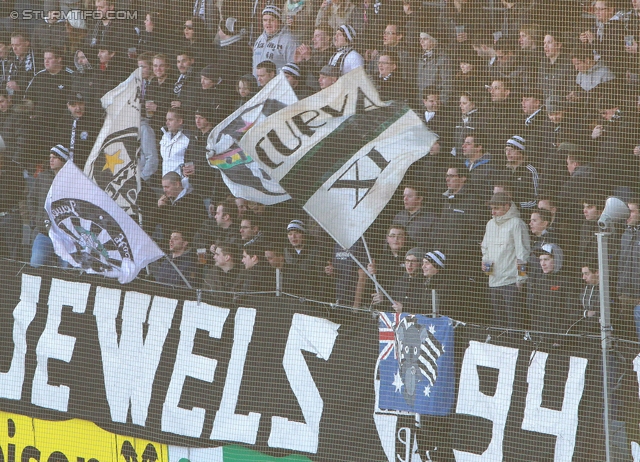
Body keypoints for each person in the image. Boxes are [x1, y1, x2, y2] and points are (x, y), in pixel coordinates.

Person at [481, 191, 531, 329]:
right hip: (493, 281)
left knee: (514, 323)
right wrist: (487, 267)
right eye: (491, 208)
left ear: (507, 206)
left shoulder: (517, 223)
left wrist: (521, 278)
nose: (493, 212)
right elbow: (485, 248)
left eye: (496, 208)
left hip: (511, 282)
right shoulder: (490, 224)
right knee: (499, 324)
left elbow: (523, 253)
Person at [28, 145, 69, 267]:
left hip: (66, 238)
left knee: (66, 271)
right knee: (34, 266)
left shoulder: (73, 181)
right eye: (50, 157)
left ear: (63, 160)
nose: (51, 160)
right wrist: (37, 218)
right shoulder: (43, 177)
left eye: (55, 157)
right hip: (44, 233)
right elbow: (31, 199)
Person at [527, 243, 571, 339]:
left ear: (557, 259)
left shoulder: (566, 281)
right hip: (540, 337)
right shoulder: (539, 281)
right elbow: (535, 311)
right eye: (540, 260)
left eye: (546, 259)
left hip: (558, 338)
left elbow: (569, 312)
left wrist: (560, 338)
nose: (543, 264)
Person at [617, 197, 640, 342]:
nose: (628, 215)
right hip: (625, 294)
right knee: (627, 338)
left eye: (631, 211)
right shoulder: (624, 234)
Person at [252, 5, 299, 74]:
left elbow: (293, 66)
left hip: (278, 83)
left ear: (280, 21)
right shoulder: (259, 39)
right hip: (258, 83)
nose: (268, 23)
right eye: (265, 20)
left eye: (272, 20)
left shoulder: (289, 40)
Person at [159, 109, 190, 177]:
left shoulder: (188, 138)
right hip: (166, 181)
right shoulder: (164, 136)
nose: (167, 123)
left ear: (180, 121)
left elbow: (190, 163)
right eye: (167, 120)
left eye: (170, 120)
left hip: (181, 183)